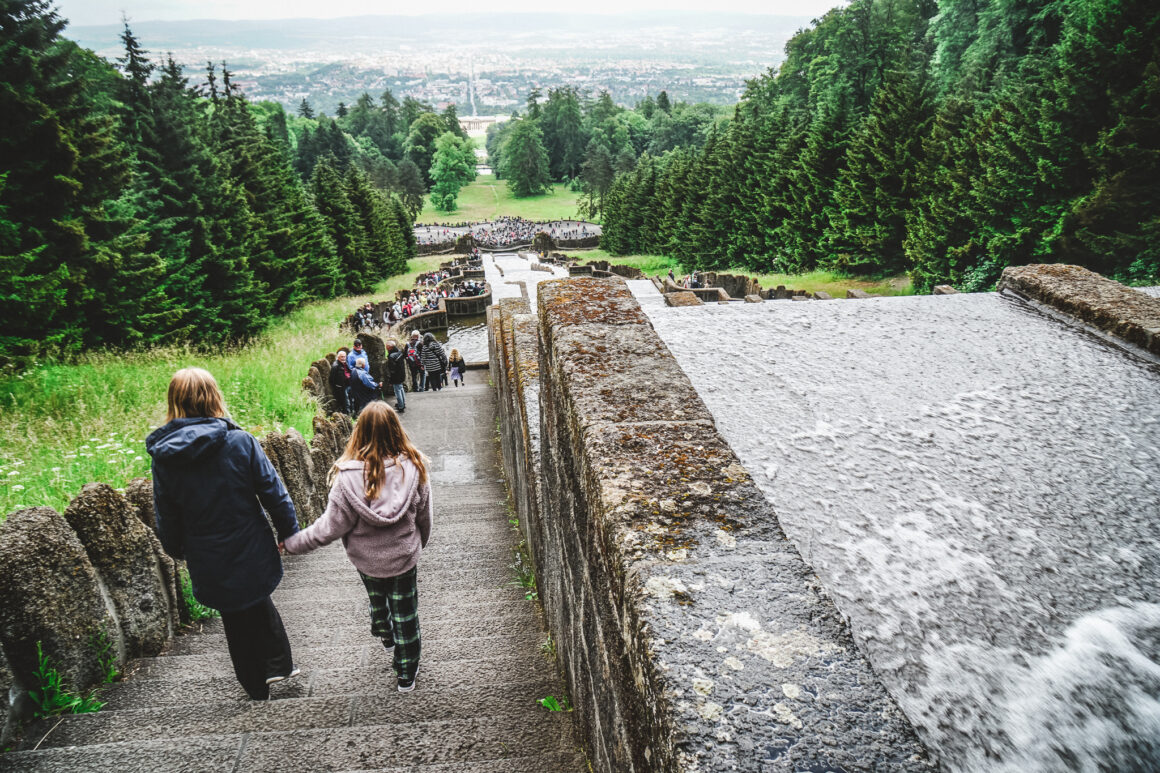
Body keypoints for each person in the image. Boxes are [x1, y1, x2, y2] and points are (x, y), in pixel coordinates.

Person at [147, 368, 300, 701]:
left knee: (233, 617)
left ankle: (255, 682)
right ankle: (278, 663)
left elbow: (166, 511)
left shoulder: (164, 457)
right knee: (258, 597)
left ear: (174, 402)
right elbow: (272, 490)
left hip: (206, 552)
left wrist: (176, 548)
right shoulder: (239, 441)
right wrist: (289, 531)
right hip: (250, 543)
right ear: (213, 396)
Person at [281, 403, 431, 693]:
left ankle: (385, 633)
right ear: (396, 430)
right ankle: (406, 675)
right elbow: (425, 516)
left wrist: (291, 544)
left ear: (358, 432)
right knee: (407, 614)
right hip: (403, 558)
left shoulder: (345, 479)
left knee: (379, 602)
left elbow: (327, 529)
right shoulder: (415, 468)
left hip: (366, 562)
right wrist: (416, 546)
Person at [386, 340, 408, 413]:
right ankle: (403, 403)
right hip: (402, 374)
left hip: (396, 376)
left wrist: (390, 380)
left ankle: (401, 406)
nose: (386, 348)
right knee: (401, 388)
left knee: (397, 391)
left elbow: (392, 370)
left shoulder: (391, 356)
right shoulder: (399, 352)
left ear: (389, 347)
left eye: (386, 347)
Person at [329, 350, 351, 415]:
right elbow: (331, 379)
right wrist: (337, 386)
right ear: (338, 357)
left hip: (348, 385)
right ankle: (347, 415)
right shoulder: (335, 366)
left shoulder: (345, 363)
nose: (343, 358)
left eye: (344, 357)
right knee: (346, 402)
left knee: (351, 400)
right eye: (341, 357)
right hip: (341, 387)